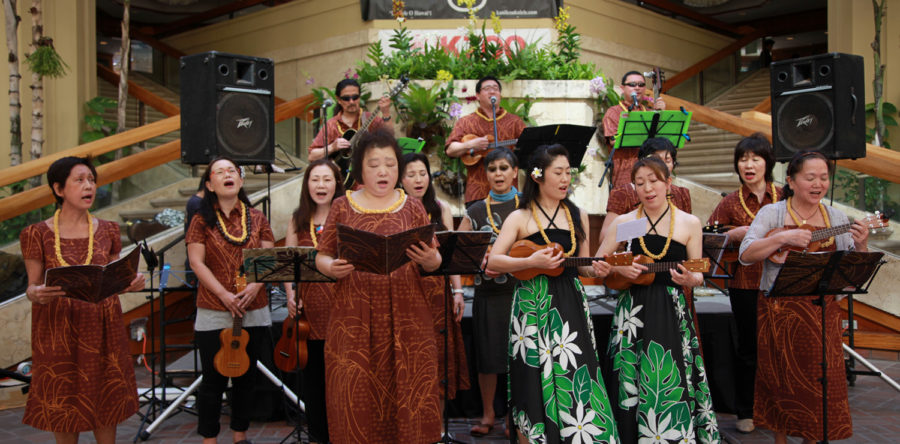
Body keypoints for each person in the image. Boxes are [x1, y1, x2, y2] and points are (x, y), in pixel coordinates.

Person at [315, 129, 443, 443]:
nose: (383, 171)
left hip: (407, 316)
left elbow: (436, 260)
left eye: (389, 164)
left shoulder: (412, 206)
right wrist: (332, 267)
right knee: (356, 391)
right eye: (373, 165)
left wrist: (428, 259)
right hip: (354, 317)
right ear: (359, 169)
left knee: (410, 390)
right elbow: (322, 256)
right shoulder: (343, 206)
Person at [487, 144, 619, 444]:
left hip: (570, 303)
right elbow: (494, 261)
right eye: (558, 172)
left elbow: (583, 267)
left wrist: (596, 271)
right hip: (532, 304)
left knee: (576, 370)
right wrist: (530, 262)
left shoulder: (578, 216)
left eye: (568, 173)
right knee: (531, 374)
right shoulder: (520, 217)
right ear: (538, 175)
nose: (565, 179)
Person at [739, 150, 868, 444]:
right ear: (792, 181)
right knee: (781, 380)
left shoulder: (835, 217)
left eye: (823, 178)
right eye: (810, 177)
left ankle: (814, 439)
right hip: (779, 312)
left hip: (822, 312)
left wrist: (861, 247)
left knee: (820, 382)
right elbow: (747, 255)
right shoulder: (772, 213)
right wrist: (781, 238)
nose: (818, 184)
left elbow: (852, 273)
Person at [20, 156, 144, 444]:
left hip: (102, 327)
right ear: (59, 189)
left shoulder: (109, 230)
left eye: (91, 180)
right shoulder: (36, 233)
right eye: (79, 180)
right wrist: (35, 294)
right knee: (64, 399)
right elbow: (32, 286)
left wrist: (132, 282)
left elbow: (115, 278)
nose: (89, 186)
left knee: (105, 396)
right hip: (57, 329)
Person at [596, 157, 720, 443]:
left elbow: (699, 269)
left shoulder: (689, 223)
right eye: (640, 183)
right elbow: (599, 262)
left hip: (671, 308)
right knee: (632, 378)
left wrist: (692, 280)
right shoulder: (628, 222)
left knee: (669, 375)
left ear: (668, 183)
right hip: (633, 309)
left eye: (653, 181)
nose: (647, 188)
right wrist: (618, 267)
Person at [185, 156, 275, 444]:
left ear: (241, 179)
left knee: (246, 378)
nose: (227, 175)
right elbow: (196, 263)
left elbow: (269, 258)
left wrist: (254, 287)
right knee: (213, 379)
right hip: (213, 308)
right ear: (210, 184)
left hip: (254, 306)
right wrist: (223, 295)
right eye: (219, 172)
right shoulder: (200, 220)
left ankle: (240, 436)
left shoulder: (258, 218)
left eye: (232, 171)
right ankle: (209, 439)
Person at [706, 133, 783, 434]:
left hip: (783, 282)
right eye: (743, 159)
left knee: (781, 348)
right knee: (749, 350)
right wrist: (732, 235)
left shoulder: (784, 196)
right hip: (746, 284)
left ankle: (781, 409)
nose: (748, 165)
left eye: (756, 159)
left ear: (768, 163)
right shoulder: (729, 202)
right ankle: (746, 410)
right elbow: (709, 238)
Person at [398, 152, 470, 428]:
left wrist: (458, 292)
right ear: (400, 179)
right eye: (411, 174)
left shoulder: (441, 209)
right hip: (406, 291)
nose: (418, 180)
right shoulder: (395, 209)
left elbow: (449, 258)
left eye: (422, 173)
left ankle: (437, 426)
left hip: (436, 291)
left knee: (438, 359)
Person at [456, 148, 520, 438]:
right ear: (485, 174)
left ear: (514, 172)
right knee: (487, 358)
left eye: (504, 168)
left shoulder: (527, 205)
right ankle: (488, 413)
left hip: (521, 292)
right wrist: (480, 262)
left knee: (517, 357)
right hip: (488, 294)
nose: (498, 174)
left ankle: (513, 416)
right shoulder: (475, 210)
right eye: (492, 169)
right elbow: (457, 251)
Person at [283, 158, 345, 444]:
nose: (321, 185)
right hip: (310, 317)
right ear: (307, 184)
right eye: (315, 180)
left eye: (327, 179)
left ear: (337, 184)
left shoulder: (348, 216)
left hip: (344, 312)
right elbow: (285, 265)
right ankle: (318, 437)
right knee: (315, 382)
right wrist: (290, 295)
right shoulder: (297, 219)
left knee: (342, 381)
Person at [446, 76, 527, 206]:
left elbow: (530, 148)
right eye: (487, 88)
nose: (492, 92)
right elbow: (450, 149)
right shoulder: (466, 122)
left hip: (508, 193)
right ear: (478, 95)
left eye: (495, 89)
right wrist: (471, 144)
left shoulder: (515, 122)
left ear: (500, 95)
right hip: (477, 193)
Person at [600, 137, 691, 241]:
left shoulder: (682, 193)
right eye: (656, 159)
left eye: (667, 160)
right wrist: (645, 227)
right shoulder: (623, 193)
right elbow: (604, 237)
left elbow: (688, 231)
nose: (662, 165)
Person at [601, 71, 667, 188]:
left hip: (651, 172)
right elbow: (614, 141)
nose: (637, 88)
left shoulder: (650, 113)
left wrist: (661, 114)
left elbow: (663, 140)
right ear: (622, 88)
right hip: (625, 174)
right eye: (632, 84)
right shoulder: (614, 112)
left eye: (641, 85)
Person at [308, 78, 393, 163]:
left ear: (359, 97)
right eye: (346, 98)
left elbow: (389, 138)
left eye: (355, 97)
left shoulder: (369, 118)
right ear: (339, 100)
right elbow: (312, 156)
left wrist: (386, 113)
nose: (351, 101)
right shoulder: (331, 125)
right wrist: (332, 147)